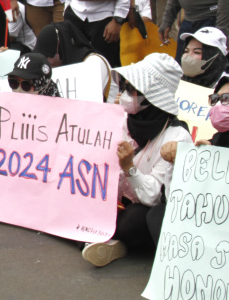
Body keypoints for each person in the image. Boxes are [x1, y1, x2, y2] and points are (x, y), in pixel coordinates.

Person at [81, 53, 191, 267]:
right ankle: (108, 241)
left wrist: (129, 168)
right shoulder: (119, 119)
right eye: (123, 86)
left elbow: (153, 197)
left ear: (150, 98)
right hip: (115, 200)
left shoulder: (177, 137)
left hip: (143, 207)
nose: (123, 93)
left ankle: (105, 238)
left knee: (136, 221)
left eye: (132, 89)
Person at [33, 21, 113, 101]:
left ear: (60, 50)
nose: (45, 63)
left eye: (47, 57)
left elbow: (90, 103)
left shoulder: (93, 62)